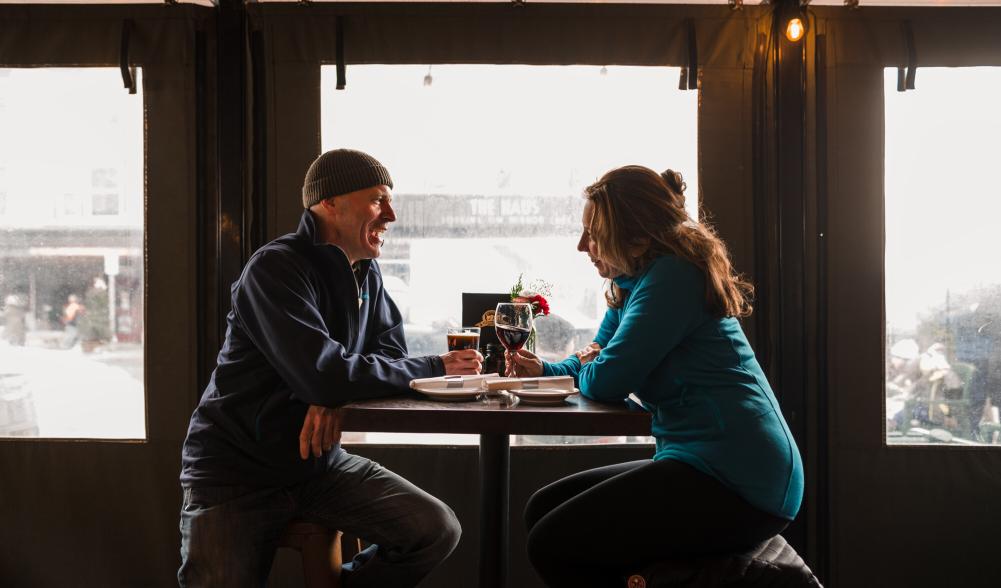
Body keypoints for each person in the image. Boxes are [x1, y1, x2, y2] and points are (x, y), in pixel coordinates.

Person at [178, 149, 480, 587]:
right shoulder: (276, 268)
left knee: (434, 530)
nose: (391, 215)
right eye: (378, 199)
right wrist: (429, 366)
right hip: (235, 475)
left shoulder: (367, 275)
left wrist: (336, 394)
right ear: (331, 203)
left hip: (319, 468)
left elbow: (387, 358)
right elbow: (323, 375)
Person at [506, 165, 804, 587]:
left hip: (740, 477)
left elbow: (608, 378)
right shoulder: (633, 284)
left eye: (592, 233)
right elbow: (598, 359)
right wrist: (551, 370)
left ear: (635, 233)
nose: (581, 246)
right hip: (697, 459)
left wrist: (594, 363)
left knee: (553, 543)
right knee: (543, 508)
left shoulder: (673, 276)